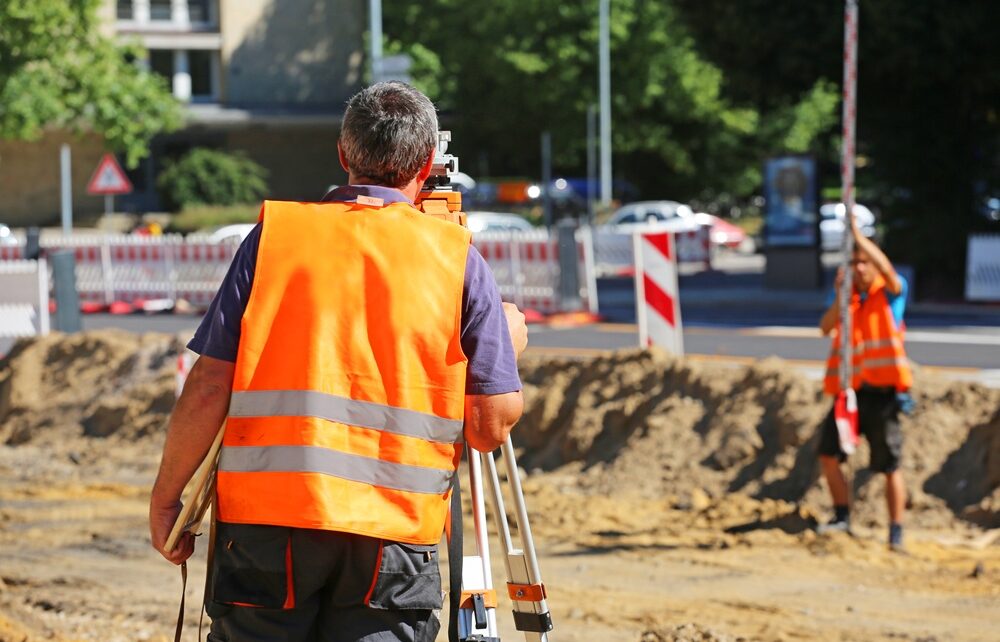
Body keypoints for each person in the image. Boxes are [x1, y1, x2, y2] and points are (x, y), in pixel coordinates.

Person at [149, 81, 528, 642]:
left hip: (267, 530)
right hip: (391, 537)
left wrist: (167, 499)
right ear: (429, 163)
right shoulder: (456, 261)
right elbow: (487, 427)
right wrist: (506, 345)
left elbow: (209, 386)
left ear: (344, 154)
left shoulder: (274, 240)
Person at [817, 212, 912, 551]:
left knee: (889, 466)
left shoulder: (889, 293)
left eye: (864, 262)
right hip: (849, 393)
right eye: (854, 262)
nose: (860, 268)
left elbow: (886, 270)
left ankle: (896, 531)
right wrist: (841, 295)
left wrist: (857, 236)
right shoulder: (848, 299)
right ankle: (842, 516)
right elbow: (825, 327)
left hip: (882, 395)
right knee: (828, 455)